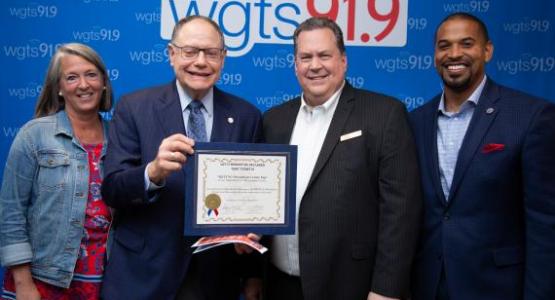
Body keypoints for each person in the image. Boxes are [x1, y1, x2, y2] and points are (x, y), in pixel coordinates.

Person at [100, 15, 263, 300]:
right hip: (144, 273)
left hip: (215, 277)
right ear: (172, 55)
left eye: (211, 53)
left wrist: (251, 260)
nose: (200, 62)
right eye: (190, 51)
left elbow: (256, 198)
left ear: (223, 59)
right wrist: (152, 172)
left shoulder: (247, 116)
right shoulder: (134, 107)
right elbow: (112, 189)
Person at [262, 17, 422, 300]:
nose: (315, 65)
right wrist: (254, 274)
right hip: (280, 286)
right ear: (295, 65)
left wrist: (386, 289)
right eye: (305, 57)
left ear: (344, 61)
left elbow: (401, 210)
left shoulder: (384, 114)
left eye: (325, 55)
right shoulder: (274, 120)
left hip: (352, 286)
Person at [410, 12, 555, 300]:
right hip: (428, 286)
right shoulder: (415, 121)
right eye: (444, 45)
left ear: (487, 50)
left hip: (496, 288)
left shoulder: (530, 116)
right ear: (434, 54)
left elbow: (545, 223)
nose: (454, 54)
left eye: (466, 44)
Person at [0, 43, 113, 299]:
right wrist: (23, 284)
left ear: (104, 82)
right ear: (59, 88)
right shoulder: (34, 135)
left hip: (105, 282)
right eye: (72, 77)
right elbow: (11, 213)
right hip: (42, 281)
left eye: (91, 74)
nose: (84, 85)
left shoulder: (121, 137)